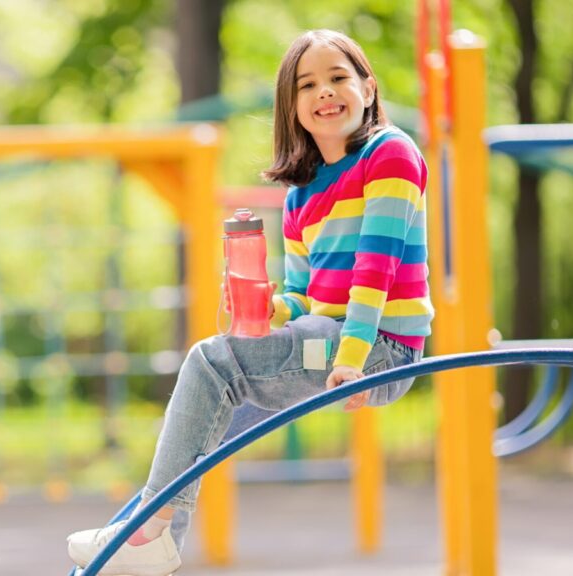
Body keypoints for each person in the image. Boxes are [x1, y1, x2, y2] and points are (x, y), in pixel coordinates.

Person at [67, 28, 433, 576]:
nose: (326, 92)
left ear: (368, 87)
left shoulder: (391, 154)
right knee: (217, 372)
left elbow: (373, 271)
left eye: (338, 78)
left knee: (211, 362)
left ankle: (151, 530)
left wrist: (354, 361)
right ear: (292, 108)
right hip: (329, 343)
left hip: (378, 348)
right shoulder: (300, 194)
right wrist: (266, 309)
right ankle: (157, 539)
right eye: (308, 85)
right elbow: (303, 295)